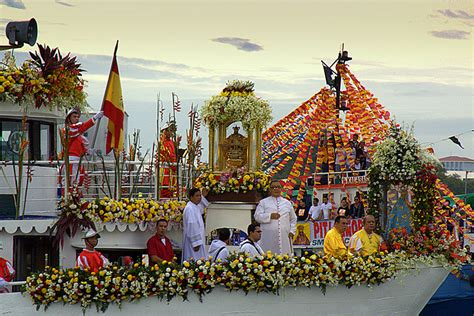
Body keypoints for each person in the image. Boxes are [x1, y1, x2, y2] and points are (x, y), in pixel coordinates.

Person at [63, 108, 103, 187]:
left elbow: (80, 147)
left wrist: (91, 151)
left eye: (78, 117)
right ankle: (68, 198)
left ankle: (74, 198)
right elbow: (82, 127)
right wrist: (94, 118)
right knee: (70, 182)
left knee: (78, 181)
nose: (77, 118)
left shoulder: (77, 132)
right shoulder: (68, 130)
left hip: (78, 161)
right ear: (69, 118)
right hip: (71, 161)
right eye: (74, 117)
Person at [254, 179, 297, 255]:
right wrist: (270, 216)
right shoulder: (263, 202)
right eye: (273, 187)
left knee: (285, 257)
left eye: (278, 187)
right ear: (270, 189)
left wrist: (292, 231)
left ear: (281, 189)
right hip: (268, 237)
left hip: (284, 237)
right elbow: (257, 216)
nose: (276, 189)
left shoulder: (287, 203)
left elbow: (293, 218)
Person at [182, 188, 209, 262]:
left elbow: (203, 206)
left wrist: (204, 196)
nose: (199, 198)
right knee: (194, 261)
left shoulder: (194, 206)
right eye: (197, 196)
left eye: (200, 196)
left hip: (198, 240)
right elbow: (192, 225)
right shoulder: (190, 208)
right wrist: (196, 243)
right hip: (193, 242)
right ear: (191, 197)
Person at [159, 121, 178, 198]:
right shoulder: (162, 142)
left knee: (171, 189)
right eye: (170, 130)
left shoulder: (171, 142)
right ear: (165, 131)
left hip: (172, 168)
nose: (171, 132)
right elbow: (167, 155)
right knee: (165, 188)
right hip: (166, 168)